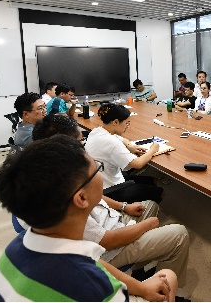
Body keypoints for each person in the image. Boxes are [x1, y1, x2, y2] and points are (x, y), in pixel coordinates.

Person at [0, 135, 180, 302]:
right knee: (168, 276)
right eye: (97, 170)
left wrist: (142, 288)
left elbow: (93, 260)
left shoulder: (15, 248)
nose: (100, 175)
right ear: (81, 198)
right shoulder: (91, 284)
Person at [25, 115, 190, 289]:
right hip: (109, 249)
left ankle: (139, 270)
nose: (83, 147)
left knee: (150, 205)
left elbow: (97, 198)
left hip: (109, 221)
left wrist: (124, 206)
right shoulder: (62, 197)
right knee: (178, 234)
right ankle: (168, 292)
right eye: (80, 142)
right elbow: (107, 241)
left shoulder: (60, 172)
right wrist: (146, 225)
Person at [85, 104, 165, 203]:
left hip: (100, 182)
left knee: (151, 180)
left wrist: (130, 146)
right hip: (110, 190)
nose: (127, 126)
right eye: (127, 123)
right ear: (115, 122)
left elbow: (121, 139)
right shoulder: (112, 143)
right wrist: (153, 150)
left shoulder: (97, 131)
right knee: (159, 192)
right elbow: (138, 164)